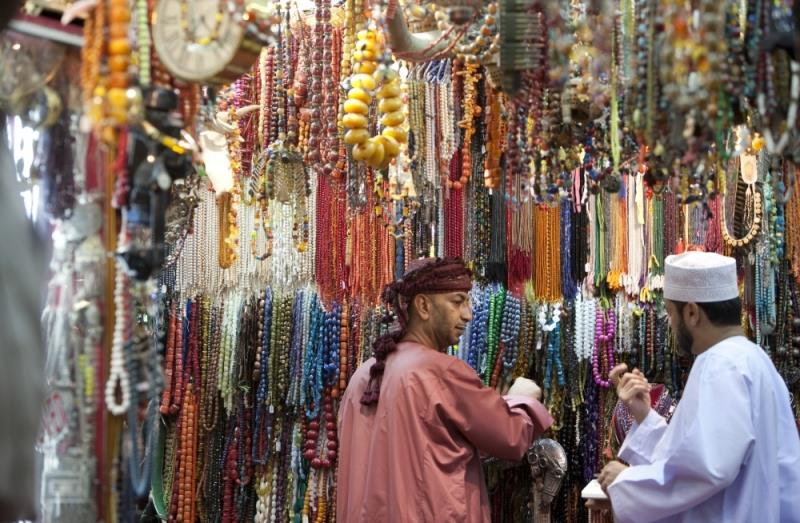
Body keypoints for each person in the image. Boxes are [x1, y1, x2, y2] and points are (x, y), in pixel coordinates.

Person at [337, 257, 553, 522]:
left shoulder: (363, 377)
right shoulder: (440, 372)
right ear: (424, 306)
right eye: (458, 301)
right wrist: (522, 399)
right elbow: (511, 436)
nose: (468, 314)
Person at [596, 251, 800, 523]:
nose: (669, 322)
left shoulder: (720, 364)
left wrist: (626, 482)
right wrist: (644, 415)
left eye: (669, 312)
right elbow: (707, 454)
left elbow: (709, 469)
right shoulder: (753, 360)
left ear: (692, 312)